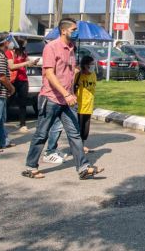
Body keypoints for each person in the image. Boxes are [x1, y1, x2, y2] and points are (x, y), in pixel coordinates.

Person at [23, 19, 102, 179]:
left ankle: (83, 167)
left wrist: (71, 91)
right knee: (42, 134)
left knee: (74, 134)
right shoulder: (51, 47)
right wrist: (65, 93)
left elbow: (69, 73)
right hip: (51, 98)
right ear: (64, 30)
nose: (76, 32)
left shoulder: (71, 48)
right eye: (73, 29)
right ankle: (31, 167)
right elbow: (49, 74)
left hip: (68, 100)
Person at [6, 37, 33, 131]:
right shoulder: (10, 52)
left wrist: (32, 63)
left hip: (23, 79)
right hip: (13, 80)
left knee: (23, 102)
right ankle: (2, 120)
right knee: (8, 101)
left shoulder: (24, 53)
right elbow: (11, 66)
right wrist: (25, 63)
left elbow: (27, 62)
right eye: (24, 44)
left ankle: (22, 124)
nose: (25, 46)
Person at [74, 54, 97, 153]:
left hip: (89, 106)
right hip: (79, 106)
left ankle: (82, 145)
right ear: (85, 65)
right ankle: (76, 147)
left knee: (85, 130)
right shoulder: (78, 75)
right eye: (90, 64)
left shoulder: (93, 74)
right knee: (77, 129)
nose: (92, 66)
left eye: (93, 64)